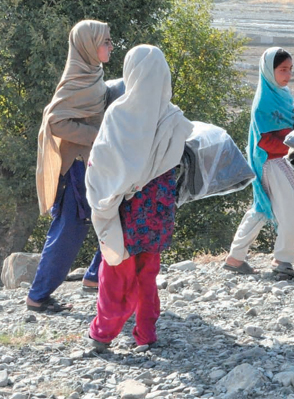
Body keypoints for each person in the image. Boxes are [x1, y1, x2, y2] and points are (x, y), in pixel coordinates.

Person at [84, 45, 192, 352]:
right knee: (148, 272)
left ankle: (102, 334)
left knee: (116, 270)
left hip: (125, 208)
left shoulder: (120, 113)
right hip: (158, 209)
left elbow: (103, 162)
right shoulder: (173, 117)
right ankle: (145, 333)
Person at [28, 20, 113, 313]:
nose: (110, 46)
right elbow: (55, 120)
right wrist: (98, 136)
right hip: (76, 169)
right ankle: (38, 296)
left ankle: (94, 277)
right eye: (106, 42)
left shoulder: (92, 74)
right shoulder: (77, 79)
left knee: (116, 218)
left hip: (89, 165)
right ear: (88, 46)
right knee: (69, 231)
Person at [224, 48, 294, 279]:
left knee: (261, 207)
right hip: (270, 161)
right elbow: (266, 141)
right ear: (269, 71)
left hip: (279, 159)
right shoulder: (264, 102)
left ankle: (235, 257)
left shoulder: (282, 94)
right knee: (292, 208)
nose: (287, 74)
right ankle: (283, 261)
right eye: (282, 70)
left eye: (290, 69)